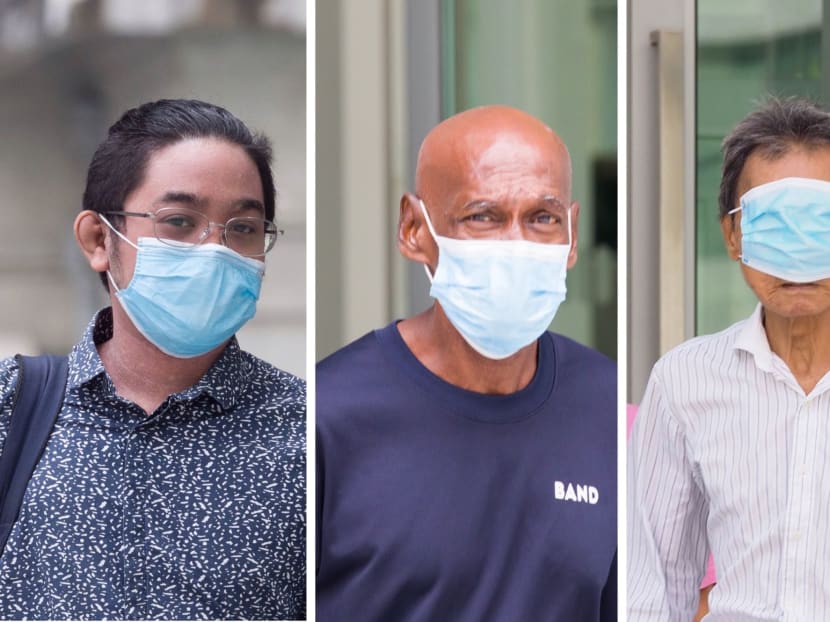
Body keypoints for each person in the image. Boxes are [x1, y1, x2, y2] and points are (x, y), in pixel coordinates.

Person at [0, 99, 306, 620]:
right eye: (179, 221)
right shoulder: (14, 409)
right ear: (99, 239)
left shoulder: (308, 431)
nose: (214, 249)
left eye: (243, 228)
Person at [317, 105, 617, 621]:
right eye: (483, 216)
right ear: (414, 228)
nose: (516, 244)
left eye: (542, 218)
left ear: (572, 235)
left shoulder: (609, 409)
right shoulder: (327, 419)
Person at [629, 96, 830, 621]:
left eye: (818, 221)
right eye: (774, 224)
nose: (797, 252)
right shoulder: (684, 383)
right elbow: (652, 586)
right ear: (733, 235)